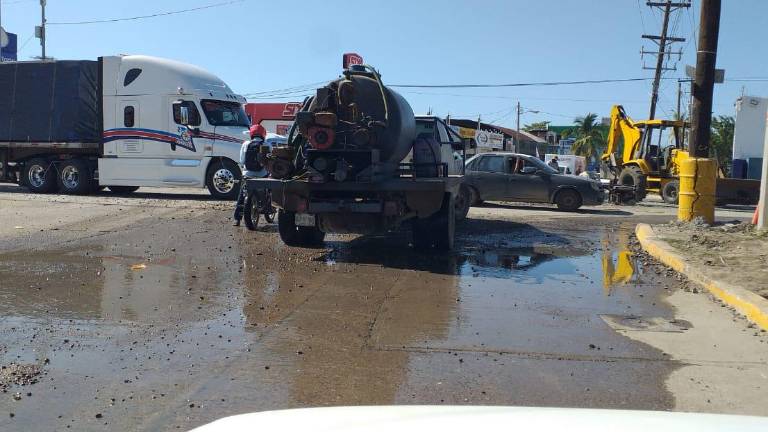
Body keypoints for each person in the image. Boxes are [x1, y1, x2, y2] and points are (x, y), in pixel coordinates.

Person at [233, 124, 268, 226]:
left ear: (251, 134)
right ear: (263, 134)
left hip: (248, 175)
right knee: (268, 191)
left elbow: (242, 161)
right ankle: (267, 208)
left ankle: (237, 219)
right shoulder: (266, 144)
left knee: (242, 195)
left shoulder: (246, 144)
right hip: (262, 175)